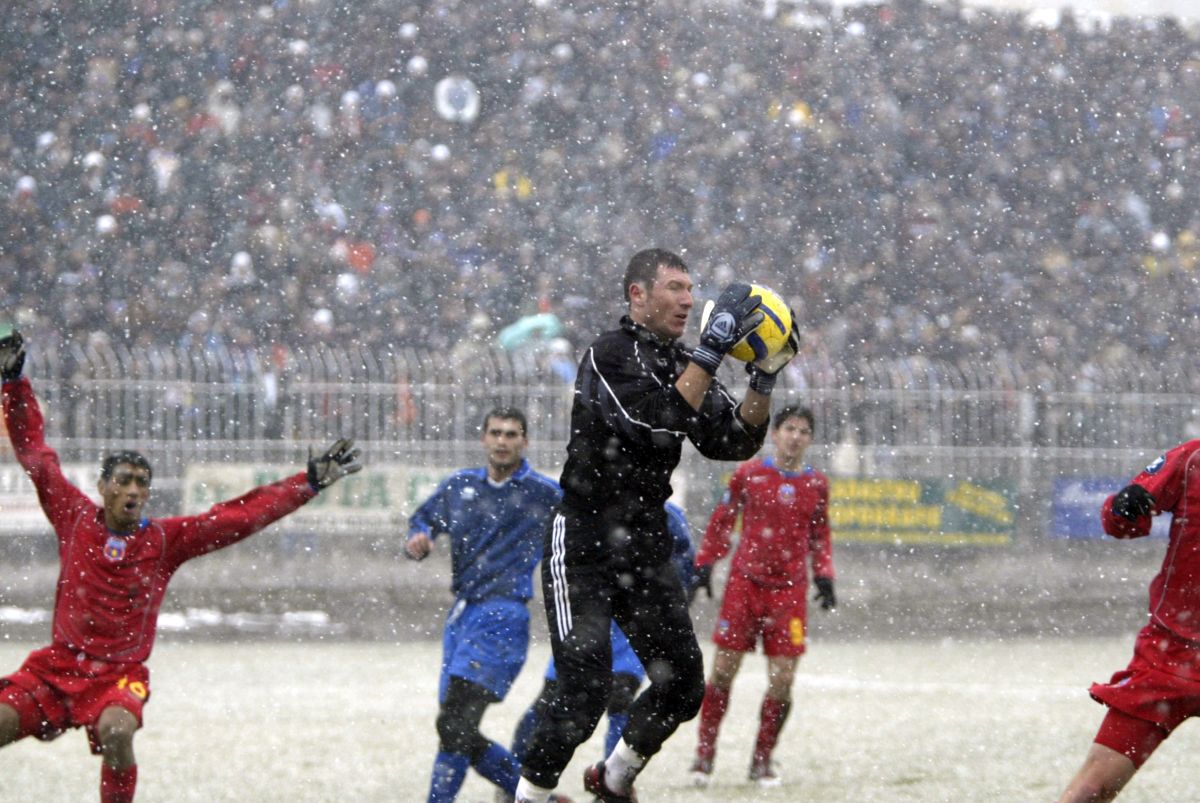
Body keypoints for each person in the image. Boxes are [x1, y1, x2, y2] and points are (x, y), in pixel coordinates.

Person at [0, 330, 362, 803]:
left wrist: (307, 484)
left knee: (116, 730)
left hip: (117, 676)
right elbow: (35, 455)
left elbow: (240, 516)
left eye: (142, 484)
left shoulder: (165, 540)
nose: (135, 491)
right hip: (57, 666)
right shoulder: (73, 516)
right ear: (105, 487)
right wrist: (12, 382)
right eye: (125, 482)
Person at [513, 248, 799, 803]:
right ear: (637, 295)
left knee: (684, 686)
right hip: (585, 540)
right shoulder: (609, 353)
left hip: (643, 540)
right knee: (583, 691)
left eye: (691, 289)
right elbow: (655, 420)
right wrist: (712, 353)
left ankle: (613, 780)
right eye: (674, 287)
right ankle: (528, 798)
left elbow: (735, 440)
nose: (689, 300)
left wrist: (763, 378)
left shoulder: (682, 359)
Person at [404, 408, 564, 803]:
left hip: (502, 616)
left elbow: (582, 527)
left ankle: (526, 795)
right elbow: (421, 521)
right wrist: (419, 539)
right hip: (462, 615)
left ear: (525, 442)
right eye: (496, 432)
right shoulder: (460, 485)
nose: (502, 441)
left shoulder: (543, 493)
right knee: (454, 726)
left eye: (511, 434)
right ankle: (530, 794)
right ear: (483, 438)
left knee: (456, 723)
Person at [688, 405, 836, 789]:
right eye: (790, 428)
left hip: (789, 593)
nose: (796, 436)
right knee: (722, 671)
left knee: (783, 680)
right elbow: (723, 520)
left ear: (811, 439)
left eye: (804, 431)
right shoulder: (749, 474)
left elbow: (821, 534)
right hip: (745, 585)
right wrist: (705, 564)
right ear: (775, 433)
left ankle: (762, 760)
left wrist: (824, 575)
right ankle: (704, 755)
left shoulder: (816, 484)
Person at [1057, 444, 1200, 802]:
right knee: (1090, 791)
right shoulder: (1191, 459)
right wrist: (1123, 506)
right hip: (1171, 656)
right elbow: (1121, 523)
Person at [510, 502, 696, 766]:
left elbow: (684, 566)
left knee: (620, 698)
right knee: (553, 699)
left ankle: (609, 783)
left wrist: (664, 600)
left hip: (632, 625)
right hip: (586, 620)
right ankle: (517, 778)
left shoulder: (667, 515)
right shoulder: (578, 506)